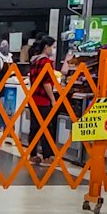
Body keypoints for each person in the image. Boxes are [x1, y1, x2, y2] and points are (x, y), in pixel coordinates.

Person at [27, 35, 59, 165]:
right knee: (46, 128)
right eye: (53, 47)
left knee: (34, 128)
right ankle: (47, 156)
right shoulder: (46, 63)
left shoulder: (34, 61)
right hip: (42, 100)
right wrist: (53, 99)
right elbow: (46, 83)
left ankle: (33, 154)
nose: (54, 50)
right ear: (47, 47)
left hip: (33, 98)